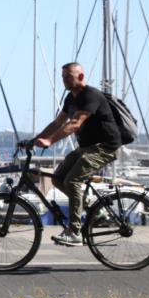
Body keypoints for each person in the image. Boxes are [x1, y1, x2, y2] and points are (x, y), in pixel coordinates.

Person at [32, 62, 121, 246]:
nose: (64, 80)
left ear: (80, 76)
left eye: (68, 76)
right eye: (63, 77)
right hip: (86, 147)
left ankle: (74, 232)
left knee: (72, 181)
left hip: (105, 147)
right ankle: (91, 206)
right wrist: (36, 139)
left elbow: (74, 124)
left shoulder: (91, 96)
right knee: (57, 178)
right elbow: (58, 123)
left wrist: (50, 141)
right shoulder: (71, 98)